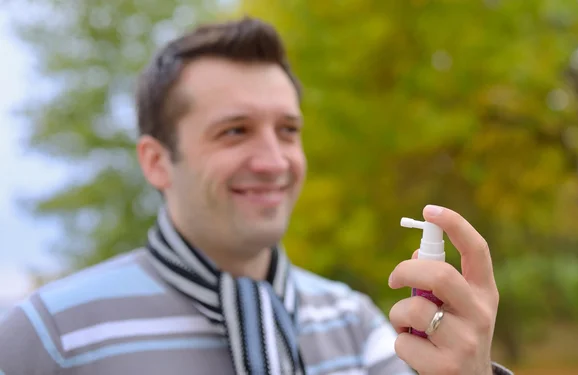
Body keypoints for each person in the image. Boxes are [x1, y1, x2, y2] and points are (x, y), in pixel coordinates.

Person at [0, 17, 513, 375]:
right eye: (235, 131)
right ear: (157, 162)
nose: (274, 161)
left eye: (288, 130)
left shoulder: (357, 326)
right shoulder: (48, 336)